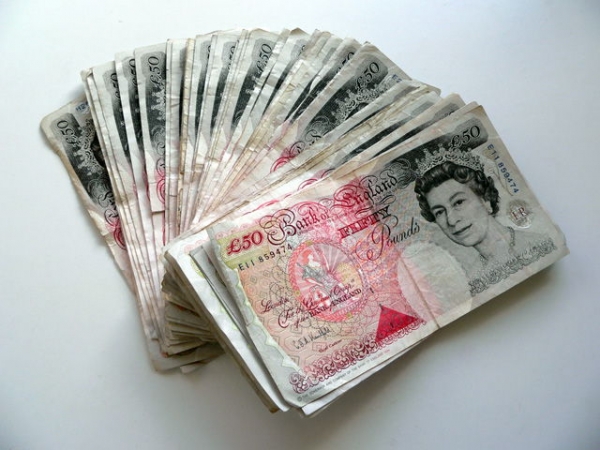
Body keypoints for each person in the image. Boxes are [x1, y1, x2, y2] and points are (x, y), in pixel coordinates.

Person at [413, 147, 555, 295]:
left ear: (485, 198)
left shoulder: (540, 243)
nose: (452, 220)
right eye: (439, 212)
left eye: (458, 202)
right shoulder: (472, 280)